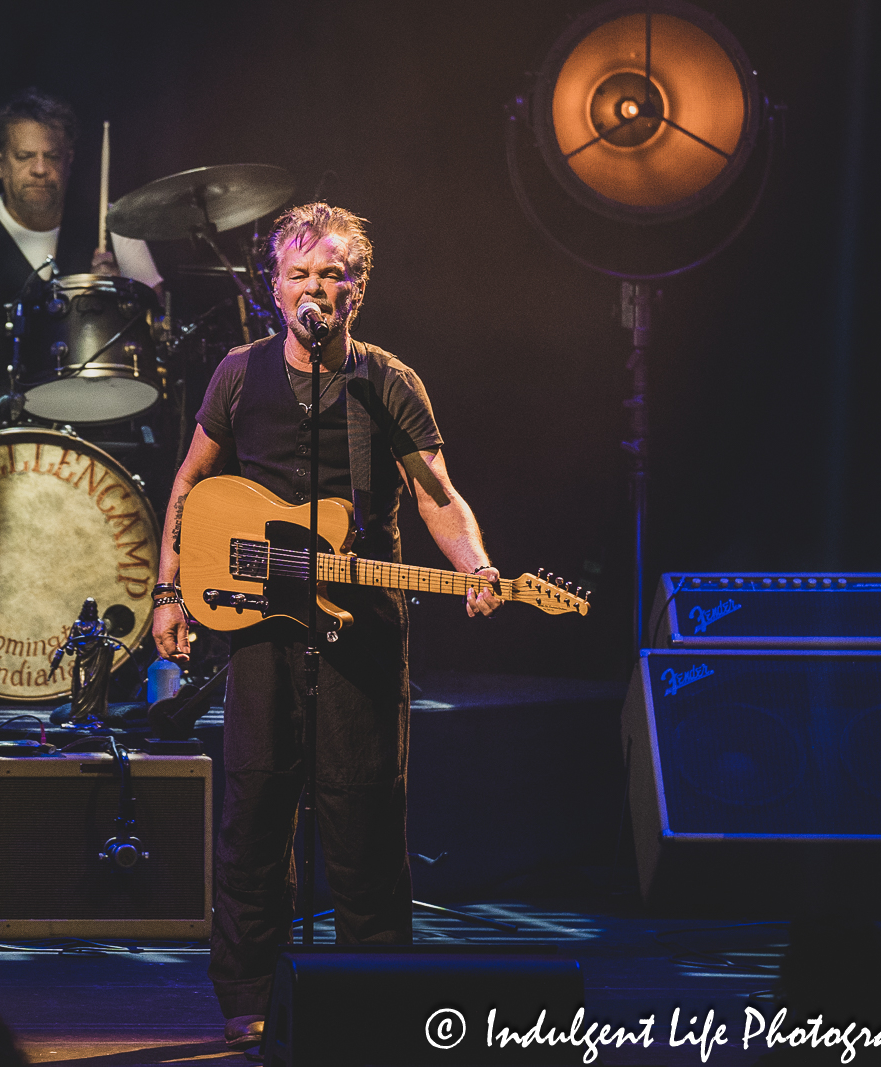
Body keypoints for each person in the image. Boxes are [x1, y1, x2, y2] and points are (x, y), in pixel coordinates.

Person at [148, 202, 502, 1052]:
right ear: (275, 289)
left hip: (364, 624)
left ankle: (374, 992)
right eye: (299, 274)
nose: (316, 287)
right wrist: (167, 591)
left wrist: (477, 567)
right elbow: (192, 485)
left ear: (358, 289)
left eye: (332, 274)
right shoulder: (238, 373)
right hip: (262, 627)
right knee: (256, 809)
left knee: (365, 817)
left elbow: (437, 494)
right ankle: (248, 993)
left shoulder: (388, 381)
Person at [0, 88, 163, 420]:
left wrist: (120, 300)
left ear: (69, 160)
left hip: (87, 418)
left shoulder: (112, 222)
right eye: (25, 156)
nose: (40, 169)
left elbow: (160, 325)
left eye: (52, 157)